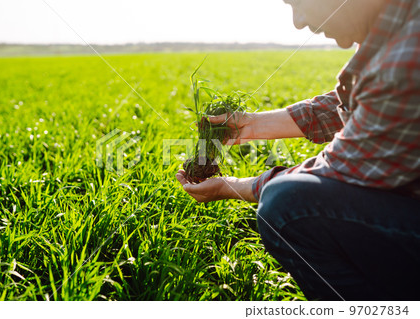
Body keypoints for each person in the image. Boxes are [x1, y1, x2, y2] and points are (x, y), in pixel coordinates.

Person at [176, 0, 420, 300]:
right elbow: (362, 100)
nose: (298, 22)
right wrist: (251, 125)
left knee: (288, 206)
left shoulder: (408, 54)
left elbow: (340, 171)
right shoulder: (397, 30)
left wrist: (230, 187)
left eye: (300, 3)